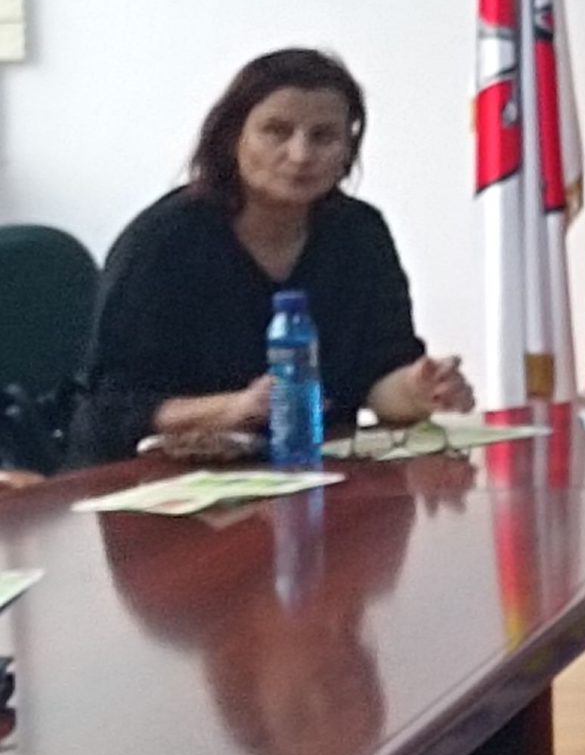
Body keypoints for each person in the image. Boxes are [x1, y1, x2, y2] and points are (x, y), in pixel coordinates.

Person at [70, 49, 470, 467]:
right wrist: (234, 408)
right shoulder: (163, 241)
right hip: (150, 478)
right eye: (277, 131)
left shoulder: (359, 233)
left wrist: (418, 390)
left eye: (323, 136)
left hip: (307, 471)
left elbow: (378, 376)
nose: (300, 155)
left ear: (347, 150)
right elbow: (111, 408)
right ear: (232, 137)